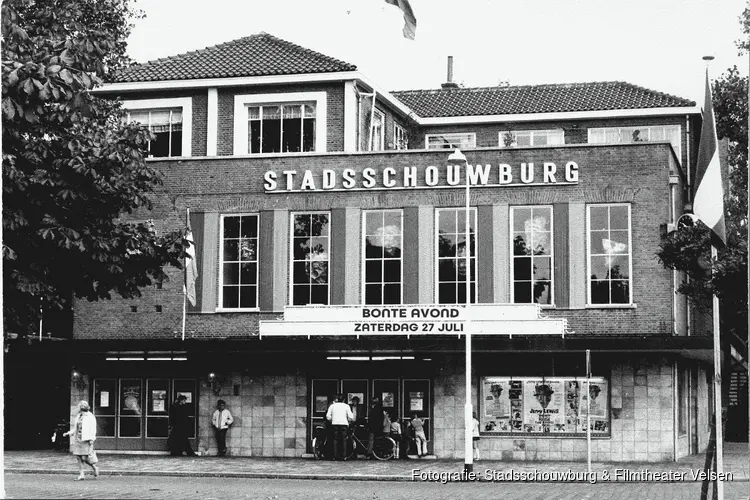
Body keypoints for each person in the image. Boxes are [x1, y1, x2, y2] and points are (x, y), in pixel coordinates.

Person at [63, 400, 99, 480]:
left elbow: (93, 429)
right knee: (78, 457)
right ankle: (81, 474)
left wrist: (92, 439)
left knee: (84, 458)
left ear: (82, 408)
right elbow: (75, 427)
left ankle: (94, 467)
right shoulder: (79, 416)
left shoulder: (90, 416)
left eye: (79, 407)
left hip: (86, 439)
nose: (78, 409)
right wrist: (69, 433)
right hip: (78, 439)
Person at [326, 394, 353, 461]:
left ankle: (335, 456)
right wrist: (349, 420)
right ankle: (344, 456)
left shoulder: (332, 406)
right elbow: (351, 416)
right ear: (344, 400)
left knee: (335, 440)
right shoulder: (346, 406)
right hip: (344, 424)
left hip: (335, 424)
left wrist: (332, 419)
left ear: (337, 399)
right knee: (344, 440)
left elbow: (328, 416)